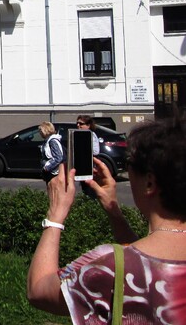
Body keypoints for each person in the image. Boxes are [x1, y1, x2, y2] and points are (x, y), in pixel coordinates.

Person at [27, 116, 186, 324]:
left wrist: (55, 215)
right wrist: (114, 212)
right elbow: (145, 257)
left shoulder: (109, 266)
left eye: (130, 164)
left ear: (149, 183)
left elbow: (38, 289)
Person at [76, 114, 100, 198]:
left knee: (90, 189)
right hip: (82, 166)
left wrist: (84, 149)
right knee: (85, 188)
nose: (78, 125)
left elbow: (96, 151)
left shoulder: (91, 135)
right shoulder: (80, 134)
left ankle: (92, 206)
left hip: (89, 167)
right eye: (77, 123)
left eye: (81, 124)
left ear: (88, 125)